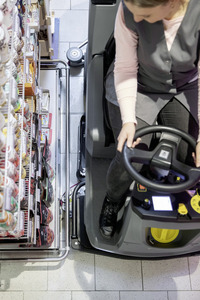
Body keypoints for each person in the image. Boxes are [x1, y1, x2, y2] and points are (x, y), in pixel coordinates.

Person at [99, 0, 200, 239]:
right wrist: (128, 121)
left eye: (145, 15)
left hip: (187, 87)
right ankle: (113, 200)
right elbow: (125, 67)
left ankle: (159, 184)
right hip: (140, 83)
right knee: (129, 156)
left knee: (186, 156)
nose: (139, 20)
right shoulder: (128, 9)